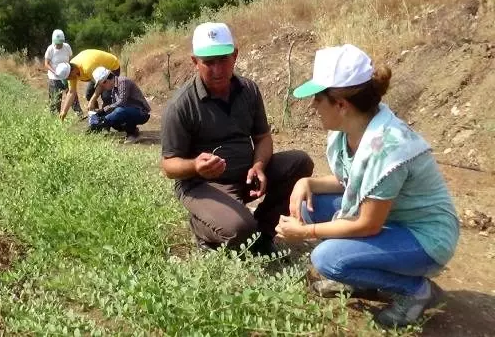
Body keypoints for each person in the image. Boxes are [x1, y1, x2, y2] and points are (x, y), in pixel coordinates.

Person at [275, 44, 459, 327]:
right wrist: (306, 181)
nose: (312, 107)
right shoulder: (353, 129)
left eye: (317, 99)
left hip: (425, 238)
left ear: (341, 104)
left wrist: (305, 232)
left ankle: (415, 291)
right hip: (394, 221)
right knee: (308, 203)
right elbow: (350, 181)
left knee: (327, 259)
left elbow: (368, 225)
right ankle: (358, 279)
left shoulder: (386, 146)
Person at [160, 22, 314, 255]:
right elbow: (169, 165)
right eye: (208, 62)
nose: (217, 69)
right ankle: (202, 227)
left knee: (300, 162)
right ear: (195, 62)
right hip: (203, 184)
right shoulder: (181, 105)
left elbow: (262, 137)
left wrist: (259, 166)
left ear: (235, 55)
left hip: (246, 175)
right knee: (240, 229)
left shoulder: (248, 90)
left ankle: (261, 233)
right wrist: (195, 166)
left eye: (223, 60)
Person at [88, 67, 151, 144]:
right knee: (114, 119)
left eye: (102, 85)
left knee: (119, 112)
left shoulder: (123, 82)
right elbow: (115, 105)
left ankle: (133, 135)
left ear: (106, 81)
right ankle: (132, 130)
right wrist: (101, 114)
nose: (103, 88)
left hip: (141, 112)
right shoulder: (114, 88)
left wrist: (104, 119)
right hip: (130, 111)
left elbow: (122, 102)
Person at [58, 49, 121, 121]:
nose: (69, 79)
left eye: (68, 77)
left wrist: (92, 101)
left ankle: (107, 121)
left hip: (111, 67)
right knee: (89, 94)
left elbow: (101, 83)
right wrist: (64, 112)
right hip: (96, 73)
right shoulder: (71, 72)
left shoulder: (87, 67)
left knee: (106, 96)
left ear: (72, 71)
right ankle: (97, 119)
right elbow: (72, 92)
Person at [44, 29, 82, 116]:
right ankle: (54, 116)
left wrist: (70, 70)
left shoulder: (67, 47)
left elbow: (70, 59)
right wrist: (55, 72)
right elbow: (46, 64)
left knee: (72, 94)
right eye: (57, 43)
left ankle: (79, 114)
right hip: (54, 78)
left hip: (67, 76)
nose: (59, 45)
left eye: (60, 43)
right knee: (55, 99)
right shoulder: (50, 49)